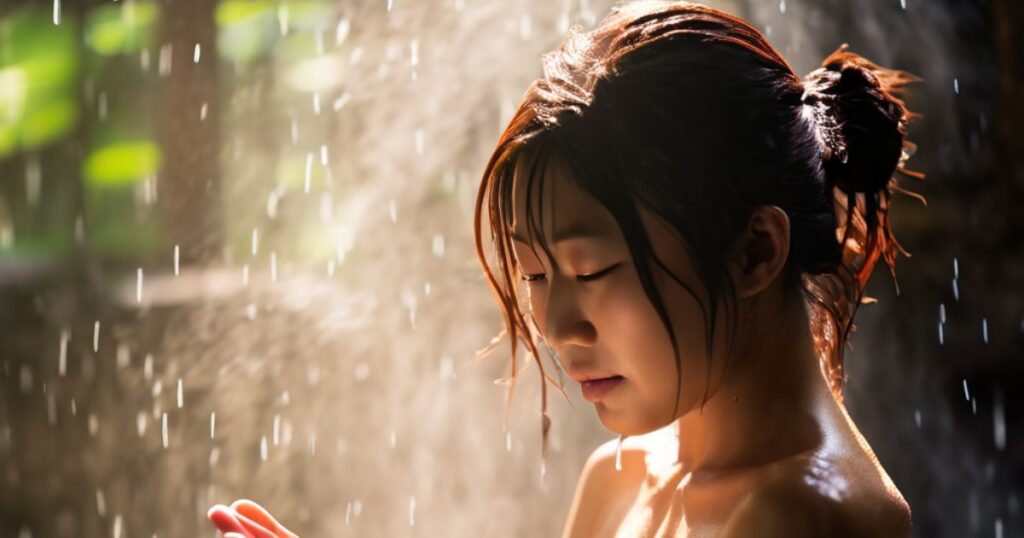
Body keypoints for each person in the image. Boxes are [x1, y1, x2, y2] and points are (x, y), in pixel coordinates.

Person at [209, 1, 924, 536]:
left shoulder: (802, 516)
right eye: (534, 274)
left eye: (590, 272)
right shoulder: (625, 477)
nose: (554, 326)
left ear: (754, 253)